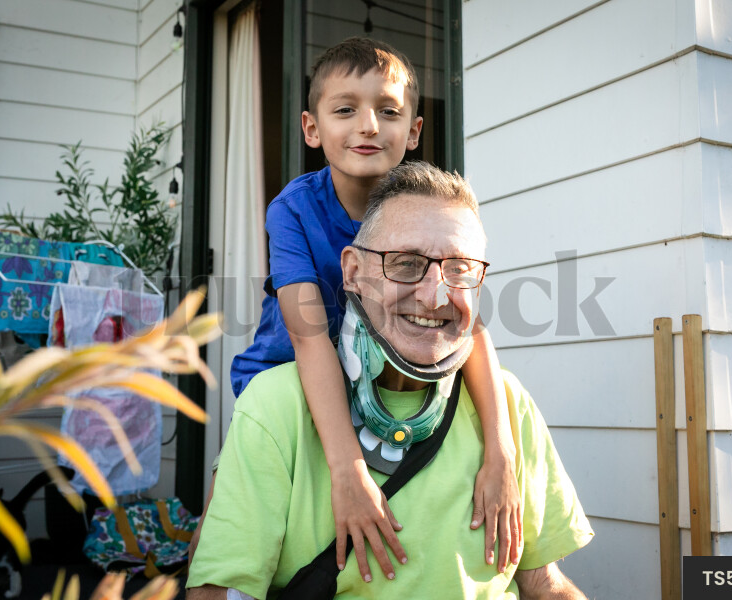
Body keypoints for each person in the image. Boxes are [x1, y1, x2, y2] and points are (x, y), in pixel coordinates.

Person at [186, 162, 594, 600]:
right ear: (352, 272)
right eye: (406, 264)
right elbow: (216, 593)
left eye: (459, 268)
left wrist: (500, 447)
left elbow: (544, 585)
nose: (435, 295)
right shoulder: (275, 405)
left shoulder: (509, 405)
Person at [206, 37, 522, 579]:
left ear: (414, 132)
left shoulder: (424, 209)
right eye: (346, 109)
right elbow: (307, 335)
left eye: (389, 111)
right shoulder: (294, 210)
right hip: (287, 369)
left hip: (374, 377)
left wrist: (502, 454)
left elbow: (471, 328)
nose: (369, 125)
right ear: (311, 128)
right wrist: (347, 468)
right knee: (227, 521)